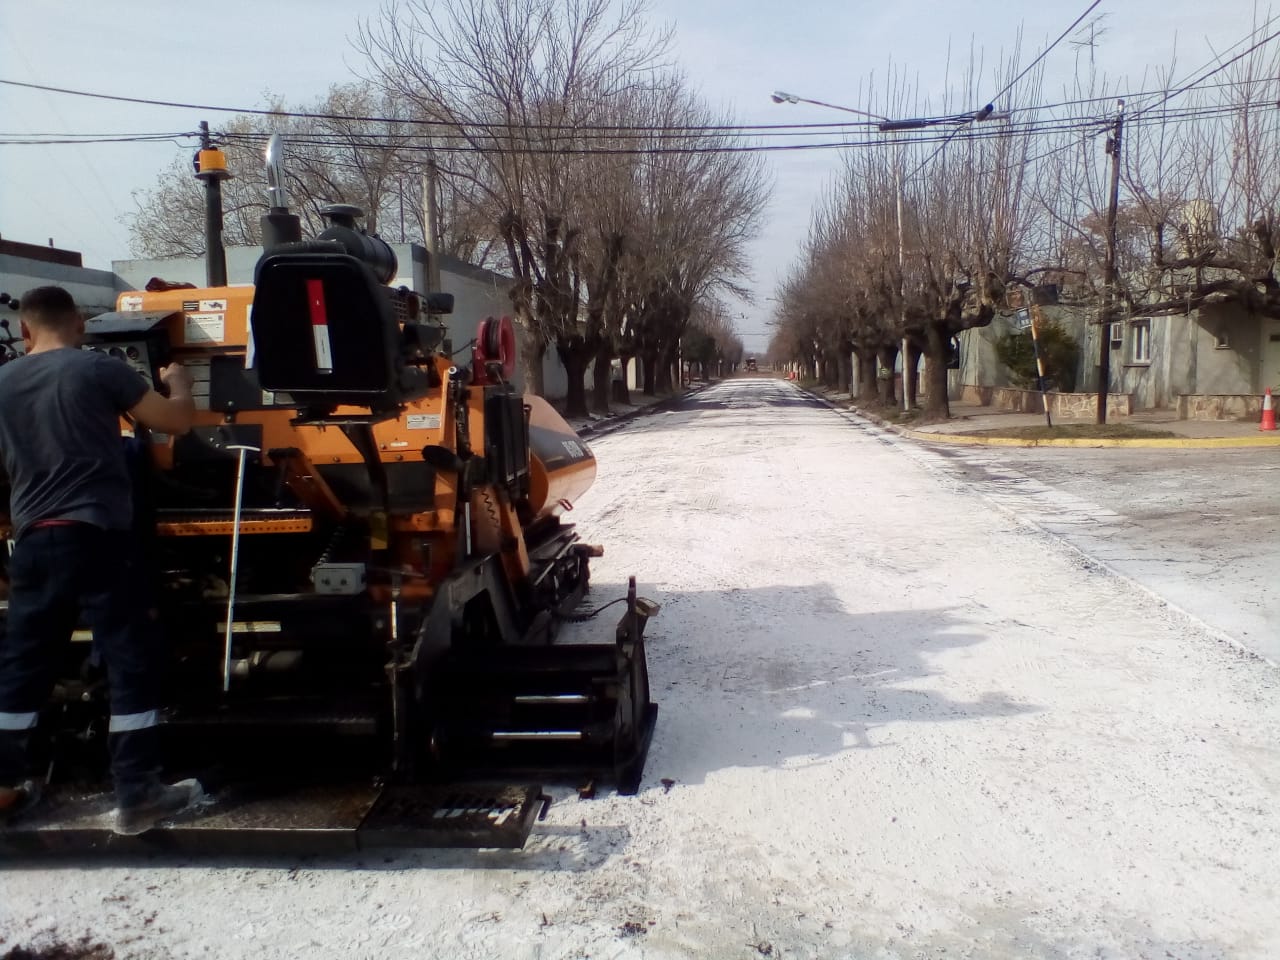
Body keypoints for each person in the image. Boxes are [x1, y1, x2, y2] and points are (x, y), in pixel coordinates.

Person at [0, 285, 202, 836]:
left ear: (24, 330)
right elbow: (175, 423)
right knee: (129, 660)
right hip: (98, 537)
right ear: (81, 326)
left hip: (34, 542)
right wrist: (180, 385)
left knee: (22, 666)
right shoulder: (98, 371)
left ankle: (4, 786)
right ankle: (137, 795)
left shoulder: (3, 382)